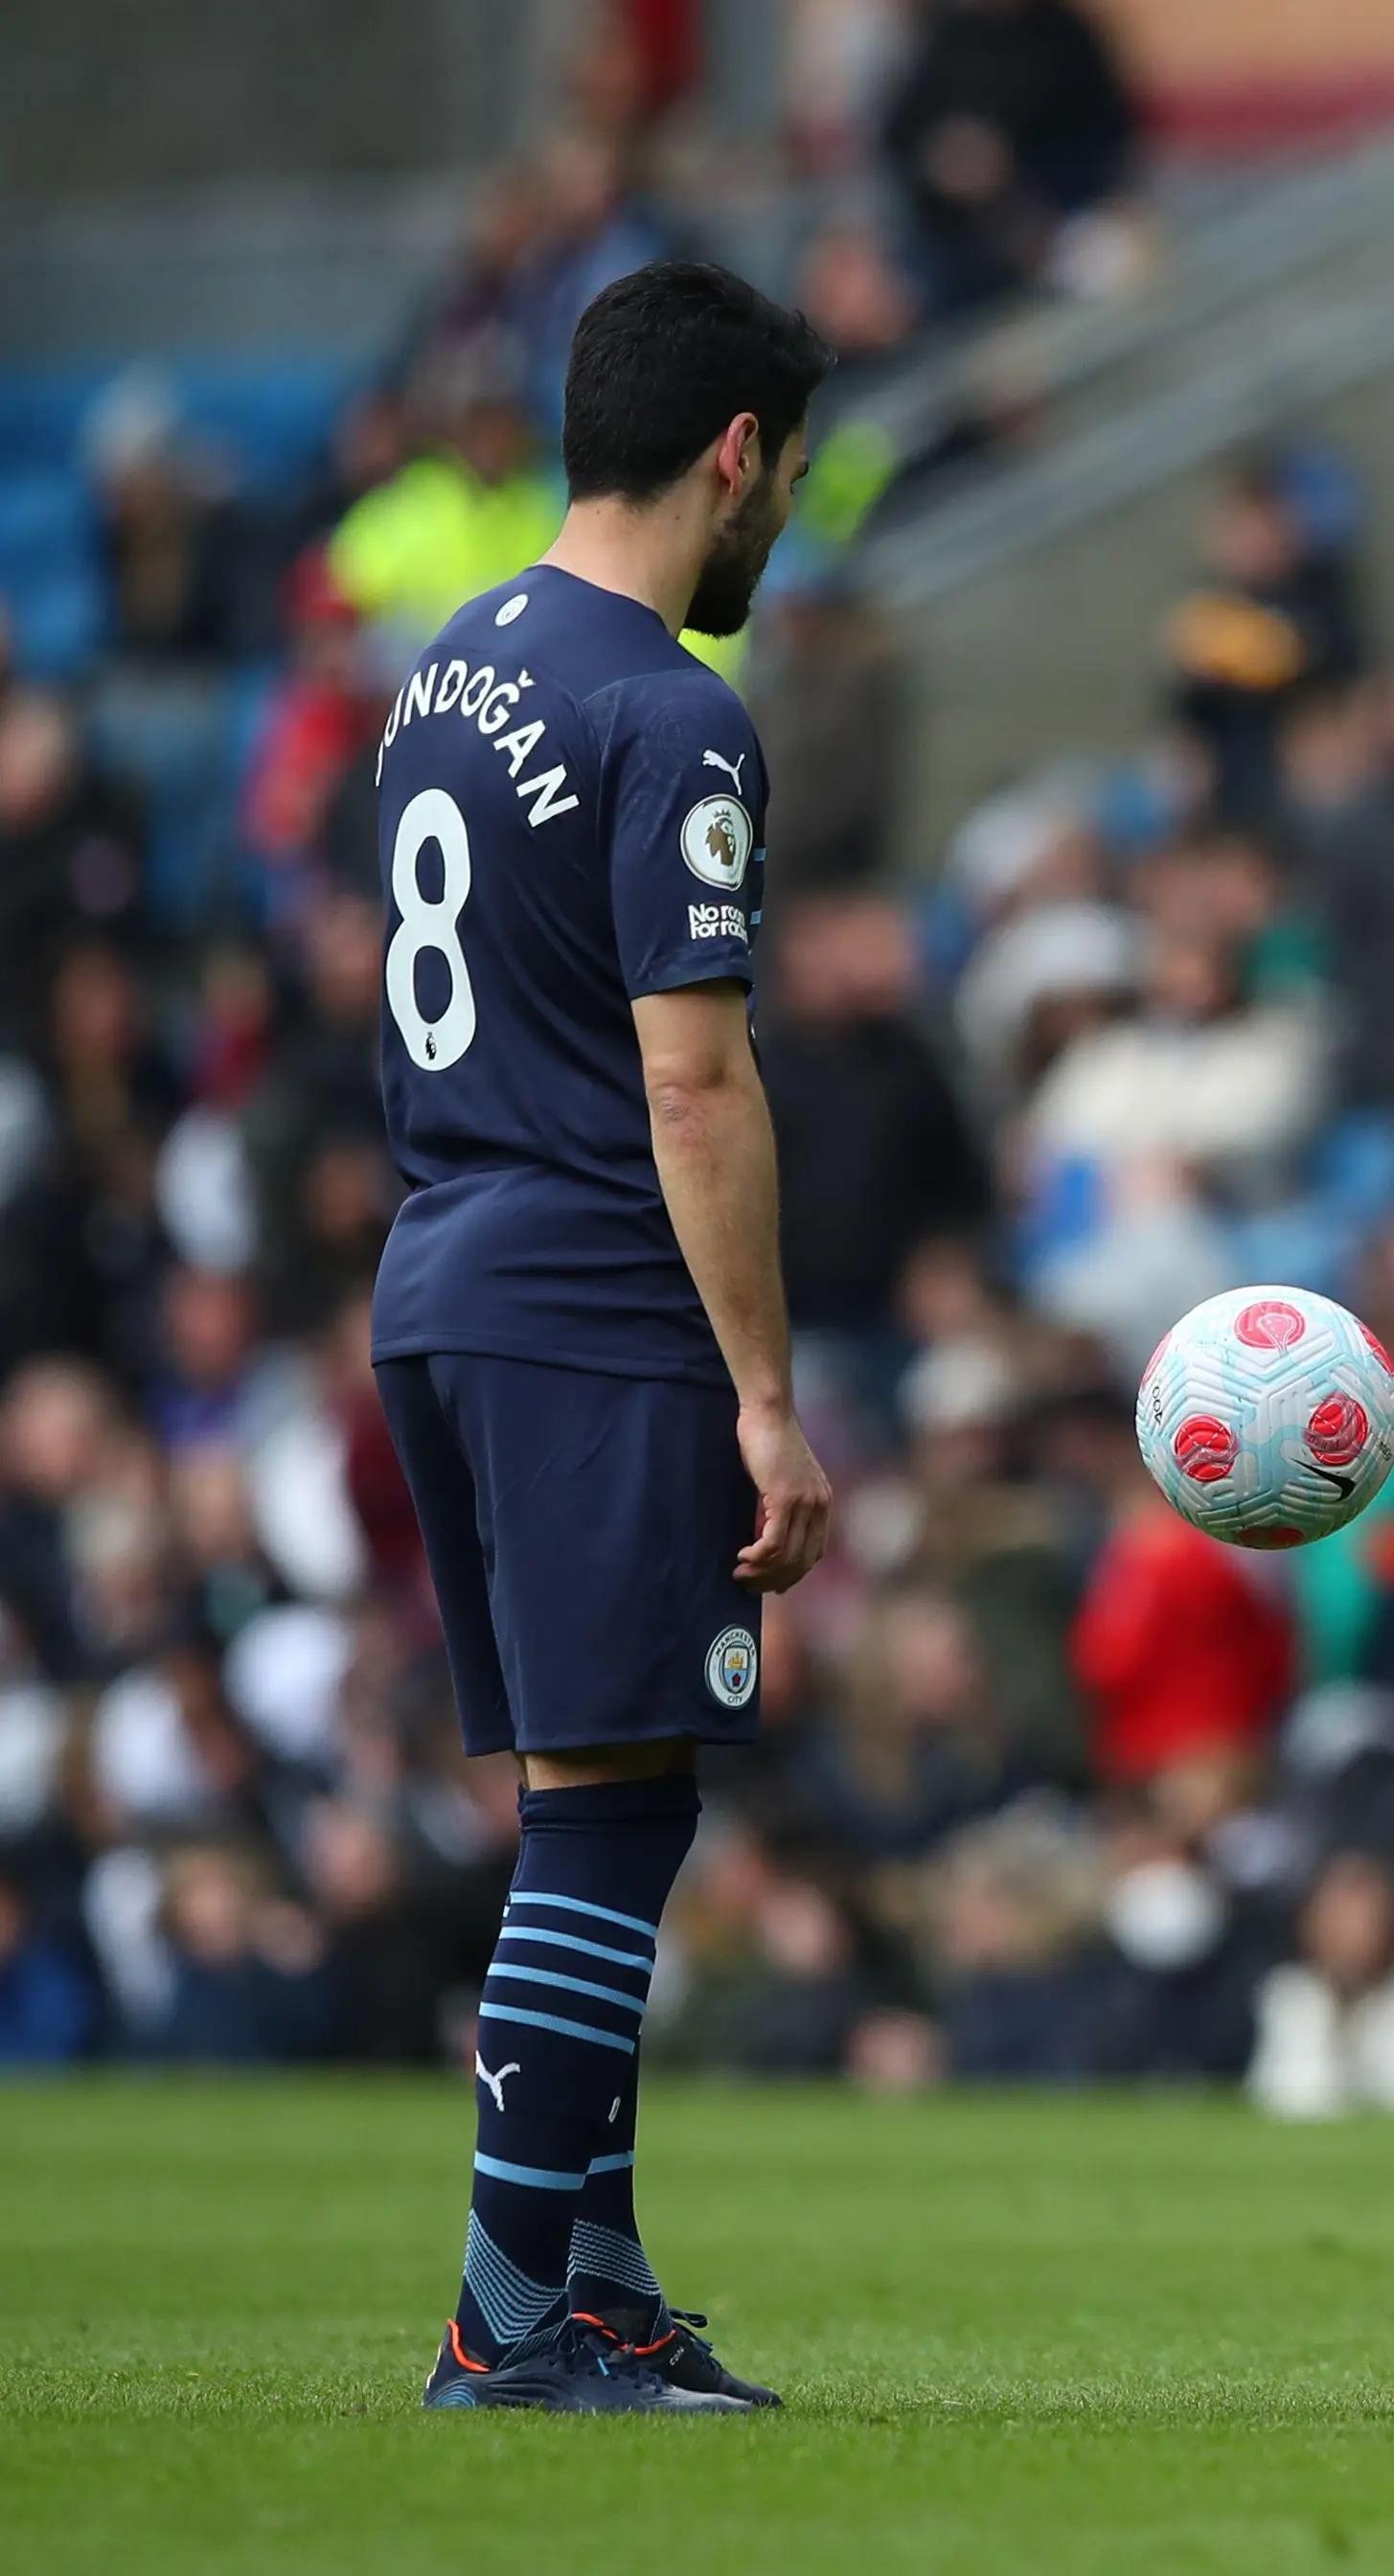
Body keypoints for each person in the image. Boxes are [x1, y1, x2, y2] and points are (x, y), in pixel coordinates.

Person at [371, 262, 835, 2414]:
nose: (786, 528)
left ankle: (598, 2282)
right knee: (618, 1814)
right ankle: (508, 2315)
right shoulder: (670, 709)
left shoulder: (441, 670)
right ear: (732, 452)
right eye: (792, 480)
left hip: (444, 1269)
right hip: (588, 1297)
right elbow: (695, 1080)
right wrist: (765, 1394)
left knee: (594, 1783)